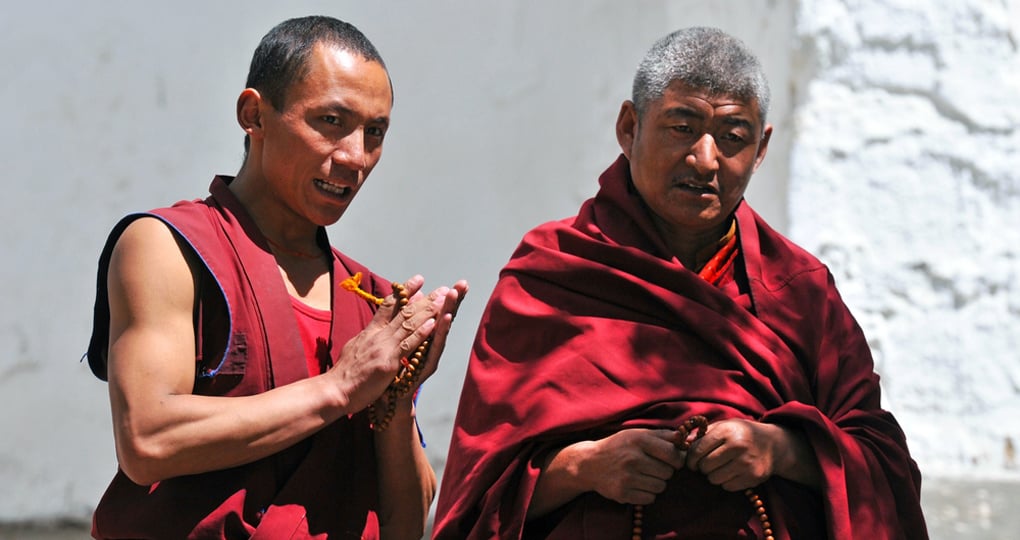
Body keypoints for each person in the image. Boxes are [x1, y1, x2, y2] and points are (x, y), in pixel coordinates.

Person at [433, 27, 926, 539]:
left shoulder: (798, 290)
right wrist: (587, 466)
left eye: (734, 137)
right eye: (682, 127)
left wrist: (782, 450)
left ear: (762, 148)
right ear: (629, 127)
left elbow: (882, 468)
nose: (705, 158)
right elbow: (476, 486)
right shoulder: (555, 273)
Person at [84, 16, 467, 540]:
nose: (356, 156)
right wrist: (339, 388)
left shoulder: (373, 300)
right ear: (254, 114)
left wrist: (395, 403)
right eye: (331, 120)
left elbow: (402, 527)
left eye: (374, 132)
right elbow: (147, 441)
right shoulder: (171, 247)